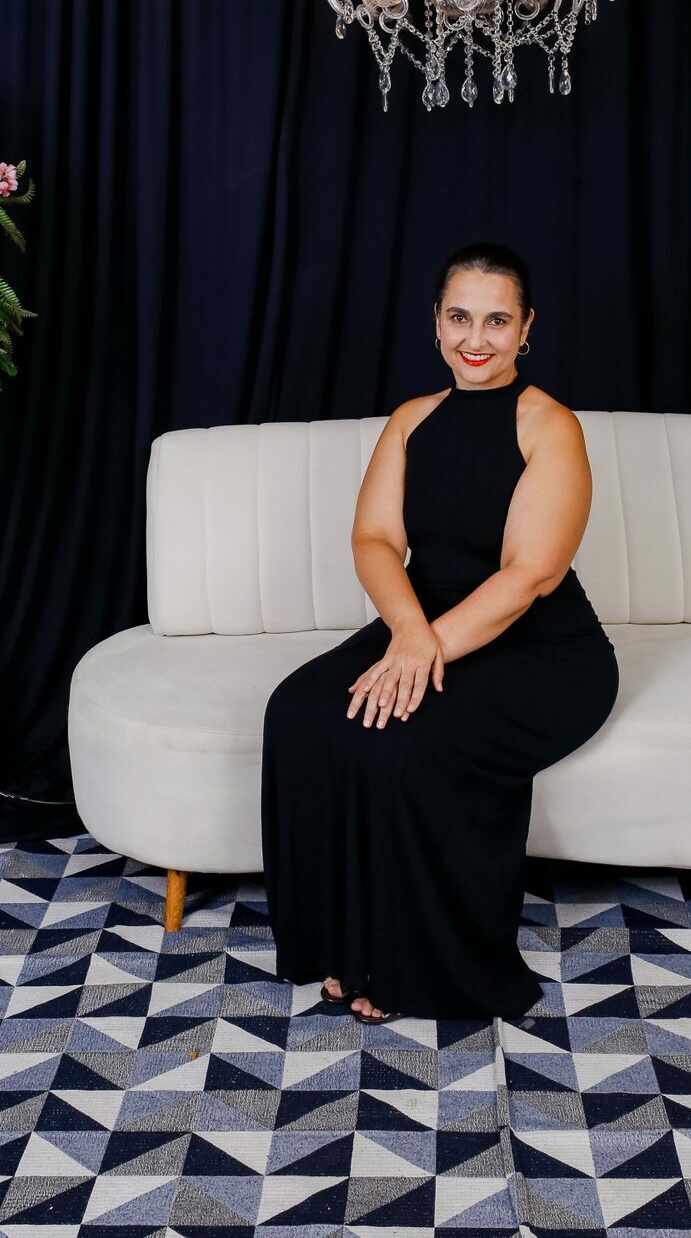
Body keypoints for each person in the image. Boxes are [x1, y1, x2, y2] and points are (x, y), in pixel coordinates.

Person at [260, 241, 620, 1023]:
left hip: (543, 650)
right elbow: (374, 540)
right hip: (420, 623)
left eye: (496, 320)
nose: (475, 339)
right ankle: (344, 945)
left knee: (408, 742)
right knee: (297, 710)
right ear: (434, 323)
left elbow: (530, 576)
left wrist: (423, 650)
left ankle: (419, 969)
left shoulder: (549, 425)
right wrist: (407, 634)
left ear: (526, 328)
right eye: (459, 318)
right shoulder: (410, 420)